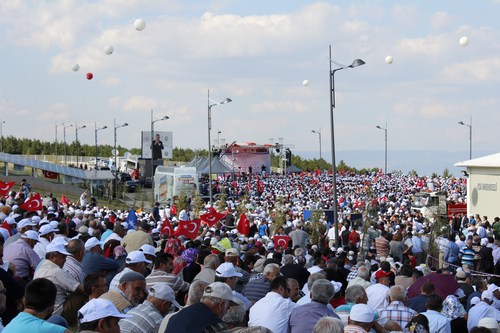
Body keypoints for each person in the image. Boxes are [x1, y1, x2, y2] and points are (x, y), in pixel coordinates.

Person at [33, 241, 84, 316]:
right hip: (57, 312)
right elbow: (81, 289)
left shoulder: (40, 269)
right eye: (63, 257)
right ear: (53, 256)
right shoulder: (57, 271)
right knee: (82, 294)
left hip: (42, 311)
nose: (65, 260)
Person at [3, 278, 72, 333]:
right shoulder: (48, 329)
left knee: (57, 320)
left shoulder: (10, 325)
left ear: (24, 300)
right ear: (51, 307)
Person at [165, 282, 236, 332]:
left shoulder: (177, 316)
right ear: (222, 304)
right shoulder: (217, 326)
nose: (228, 310)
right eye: (228, 307)